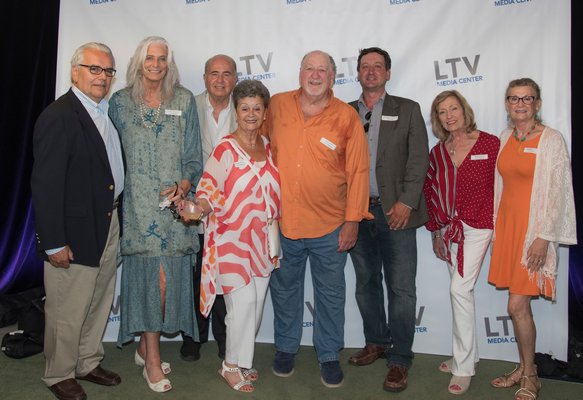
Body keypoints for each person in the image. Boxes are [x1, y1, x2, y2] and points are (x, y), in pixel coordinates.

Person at [266, 50, 372, 388]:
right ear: (300, 72)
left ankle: (328, 355)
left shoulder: (346, 116)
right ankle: (285, 348)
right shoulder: (277, 106)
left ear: (332, 76)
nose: (315, 75)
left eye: (322, 70)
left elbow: (358, 170)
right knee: (284, 290)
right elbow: (255, 145)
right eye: (309, 68)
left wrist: (353, 219)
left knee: (330, 294)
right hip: (283, 223)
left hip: (330, 225)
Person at [108, 36, 203, 393]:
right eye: (150, 57)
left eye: (162, 58)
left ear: (169, 63)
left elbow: (193, 155)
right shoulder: (119, 103)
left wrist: (183, 184)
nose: (156, 64)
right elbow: (108, 154)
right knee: (153, 283)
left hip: (175, 212)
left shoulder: (183, 99)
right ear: (139, 61)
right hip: (137, 210)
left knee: (166, 284)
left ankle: (144, 346)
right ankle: (150, 359)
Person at [31, 42, 124, 400]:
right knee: (67, 306)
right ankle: (59, 373)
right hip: (74, 231)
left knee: (98, 299)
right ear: (75, 71)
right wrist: (54, 241)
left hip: (108, 221)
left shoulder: (102, 111)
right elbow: (46, 184)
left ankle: (86, 361)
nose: (102, 77)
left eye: (108, 71)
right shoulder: (59, 116)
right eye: (94, 69)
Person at [346, 47, 429, 393]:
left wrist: (407, 203)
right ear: (358, 73)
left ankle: (400, 359)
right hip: (357, 213)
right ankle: (376, 341)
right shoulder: (345, 112)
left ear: (388, 73)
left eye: (377, 66)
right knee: (366, 282)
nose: (371, 71)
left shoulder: (407, 110)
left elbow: (419, 159)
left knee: (401, 288)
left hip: (396, 213)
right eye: (365, 66)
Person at [488, 78, 576, 400]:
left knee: (517, 306)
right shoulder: (504, 137)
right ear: (507, 104)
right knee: (518, 307)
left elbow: (559, 193)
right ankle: (523, 367)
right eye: (514, 98)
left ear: (537, 103)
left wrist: (543, 237)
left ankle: (531, 374)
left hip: (533, 234)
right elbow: (500, 187)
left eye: (527, 98)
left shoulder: (551, 139)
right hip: (509, 230)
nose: (520, 104)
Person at [191, 79, 280, 393]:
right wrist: (198, 206)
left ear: (265, 111)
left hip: (261, 240)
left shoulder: (267, 146)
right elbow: (207, 189)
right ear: (236, 111)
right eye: (245, 108)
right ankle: (229, 365)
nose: (251, 114)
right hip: (230, 239)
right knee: (242, 303)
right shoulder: (225, 147)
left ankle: (241, 360)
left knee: (254, 306)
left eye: (257, 107)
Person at [423, 90, 500, 395]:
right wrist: (436, 231)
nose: (449, 115)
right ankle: (466, 354)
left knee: (459, 289)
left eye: (453, 108)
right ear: (438, 119)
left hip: (479, 226)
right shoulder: (438, 152)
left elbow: (503, 184)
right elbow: (430, 191)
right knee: (462, 295)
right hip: (449, 229)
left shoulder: (490, 143)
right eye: (442, 112)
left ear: (464, 109)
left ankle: (464, 367)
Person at [180, 54, 238, 362]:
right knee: (197, 274)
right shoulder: (189, 106)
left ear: (235, 79)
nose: (219, 80)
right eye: (214, 74)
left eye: (226, 74)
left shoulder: (245, 110)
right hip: (195, 211)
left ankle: (224, 337)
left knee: (226, 276)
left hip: (231, 213)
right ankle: (194, 336)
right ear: (204, 78)